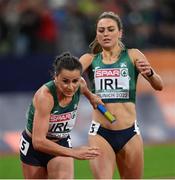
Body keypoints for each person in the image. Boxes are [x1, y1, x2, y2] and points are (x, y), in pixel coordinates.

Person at [79, 11, 164, 179]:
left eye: (110, 29)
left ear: (120, 32)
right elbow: (66, 79)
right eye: (101, 30)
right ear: (96, 33)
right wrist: (86, 92)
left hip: (130, 133)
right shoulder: (89, 59)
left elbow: (159, 85)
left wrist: (150, 72)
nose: (105, 34)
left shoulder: (133, 56)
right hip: (100, 133)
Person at [19, 51, 103, 179]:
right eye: (65, 81)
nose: (70, 87)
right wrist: (74, 153)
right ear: (55, 77)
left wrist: (92, 98)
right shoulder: (45, 97)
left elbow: (85, 90)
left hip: (61, 142)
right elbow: (38, 142)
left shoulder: (80, 84)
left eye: (74, 81)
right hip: (34, 148)